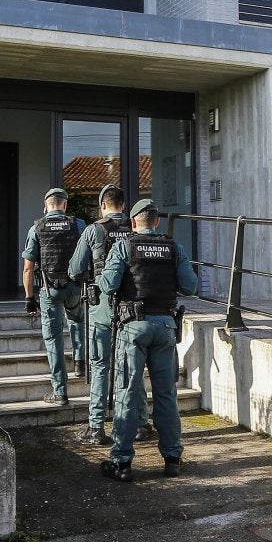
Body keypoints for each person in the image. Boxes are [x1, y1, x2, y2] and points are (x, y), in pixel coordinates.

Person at [98, 198, 197, 482]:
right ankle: (172, 458)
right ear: (157, 222)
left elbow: (108, 285)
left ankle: (122, 461)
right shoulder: (173, 248)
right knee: (166, 394)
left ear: (133, 223)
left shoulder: (124, 247)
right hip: (166, 326)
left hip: (133, 327)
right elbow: (190, 286)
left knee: (128, 393)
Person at [67, 185, 135, 446]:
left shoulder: (94, 230)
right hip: (130, 306)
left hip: (102, 306)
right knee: (129, 366)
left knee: (99, 365)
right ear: (124, 206)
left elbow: (75, 270)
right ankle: (137, 424)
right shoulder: (135, 227)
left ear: (102, 206)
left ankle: (96, 428)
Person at [22, 187, 85, 407]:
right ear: (65, 205)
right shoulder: (78, 225)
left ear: (45, 204)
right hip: (75, 287)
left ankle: (60, 392)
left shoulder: (36, 228)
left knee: (53, 339)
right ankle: (80, 362)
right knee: (77, 321)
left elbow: (28, 269)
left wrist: (30, 299)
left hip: (49, 290)